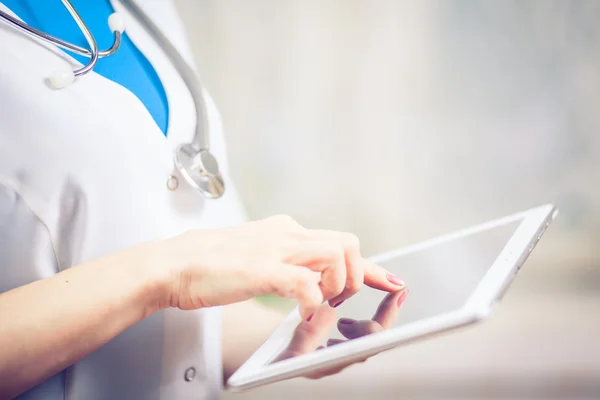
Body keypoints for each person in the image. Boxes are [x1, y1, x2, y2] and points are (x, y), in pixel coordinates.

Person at [0, 1, 406, 399]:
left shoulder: (145, 11)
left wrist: (294, 340)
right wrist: (170, 273)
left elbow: (187, 319)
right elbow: (174, 275)